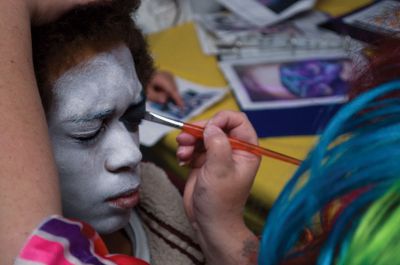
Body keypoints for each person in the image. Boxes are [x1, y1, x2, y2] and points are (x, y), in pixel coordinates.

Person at [18, 1, 260, 265]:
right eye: (87, 132)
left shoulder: (160, 196)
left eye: (133, 117)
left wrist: (220, 226)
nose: (132, 154)